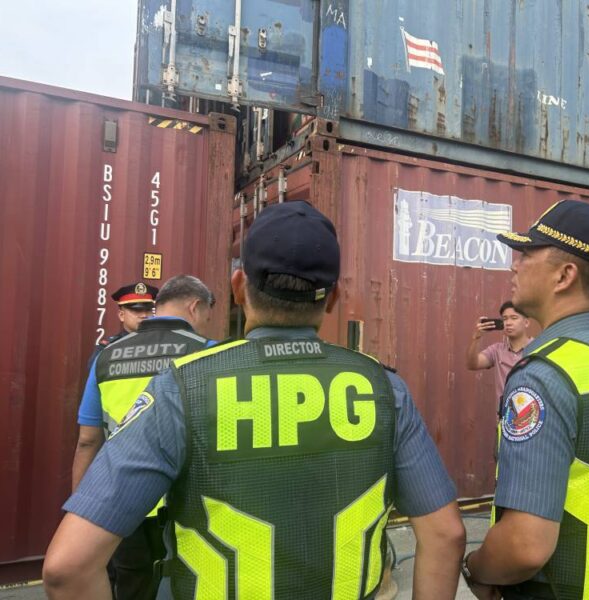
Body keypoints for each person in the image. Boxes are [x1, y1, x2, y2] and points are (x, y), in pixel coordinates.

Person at [44, 201, 466, 600]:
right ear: (333, 297)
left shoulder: (183, 388)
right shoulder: (384, 387)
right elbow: (446, 535)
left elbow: (68, 568)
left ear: (238, 287)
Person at [461, 200, 589, 599]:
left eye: (526, 254)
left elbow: (524, 546)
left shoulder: (544, 376)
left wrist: (475, 568)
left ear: (564, 275)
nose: (514, 266)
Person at [71, 274, 216, 600]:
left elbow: (87, 441)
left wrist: (80, 514)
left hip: (123, 500)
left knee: (132, 585)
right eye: (209, 312)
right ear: (195, 307)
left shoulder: (106, 357)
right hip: (186, 500)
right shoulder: (208, 353)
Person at [466, 301, 532, 404]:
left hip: (531, 410)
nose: (508, 323)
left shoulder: (538, 348)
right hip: (504, 412)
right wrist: (476, 338)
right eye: (505, 319)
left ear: (526, 322)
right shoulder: (497, 350)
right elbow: (472, 364)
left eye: (514, 318)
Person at [87, 282, 159, 368]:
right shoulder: (107, 349)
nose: (144, 315)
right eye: (137, 310)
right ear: (121, 315)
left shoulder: (162, 344)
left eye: (148, 310)